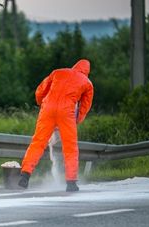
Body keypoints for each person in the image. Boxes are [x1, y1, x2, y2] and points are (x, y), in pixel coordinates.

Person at [19, 59, 94, 192]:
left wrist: (40, 102)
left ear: (74, 65)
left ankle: (24, 175)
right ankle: (71, 183)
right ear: (87, 71)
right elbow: (84, 107)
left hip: (47, 109)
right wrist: (76, 120)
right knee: (70, 147)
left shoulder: (58, 72)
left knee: (37, 142)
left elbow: (41, 90)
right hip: (66, 113)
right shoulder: (87, 83)